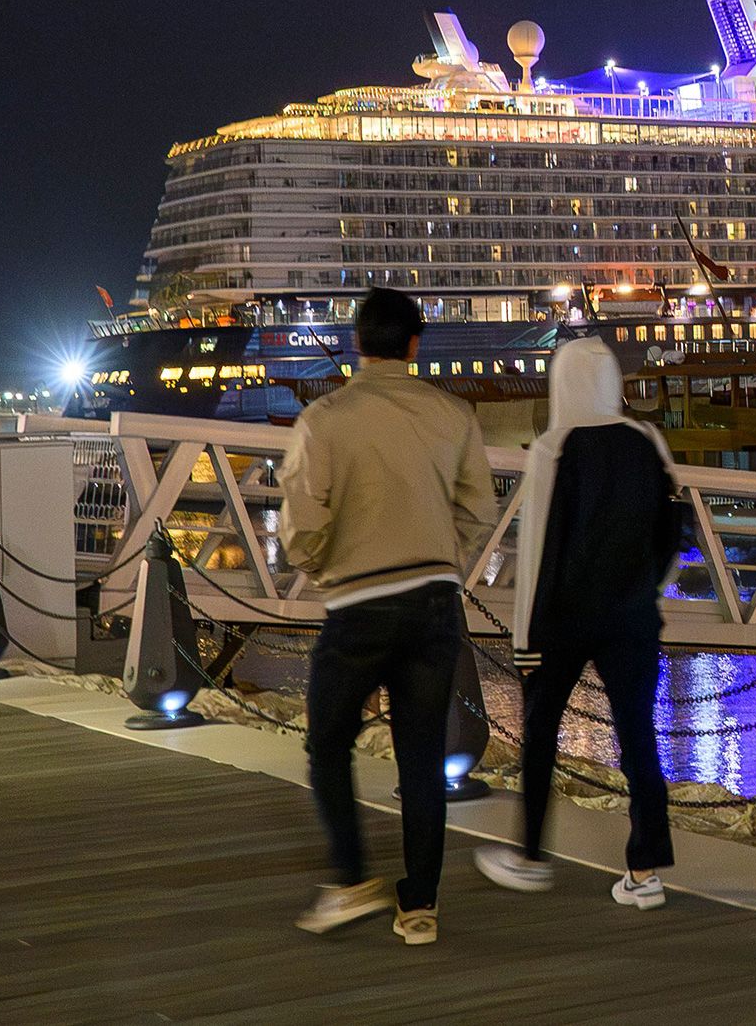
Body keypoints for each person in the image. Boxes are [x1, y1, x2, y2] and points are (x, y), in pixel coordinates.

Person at [283, 288, 495, 946]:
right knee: (423, 755)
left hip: (358, 603)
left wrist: (325, 567)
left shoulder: (325, 417)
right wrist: (442, 558)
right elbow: (479, 509)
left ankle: (352, 879)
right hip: (435, 603)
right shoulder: (453, 412)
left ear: (357, 344)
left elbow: (302, 519)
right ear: (413, 344)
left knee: (327, 741)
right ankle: (420, 906)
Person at [474, 337, 683, 909]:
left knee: (540, 735)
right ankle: (644, 870)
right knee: (638, 737)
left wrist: (524, 641)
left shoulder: (553, 447)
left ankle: (529, 856)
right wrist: (646, 588)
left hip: (564, 620)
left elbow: (536, 550)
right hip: (633, 617)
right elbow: (671, 531)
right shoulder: (647, 441)